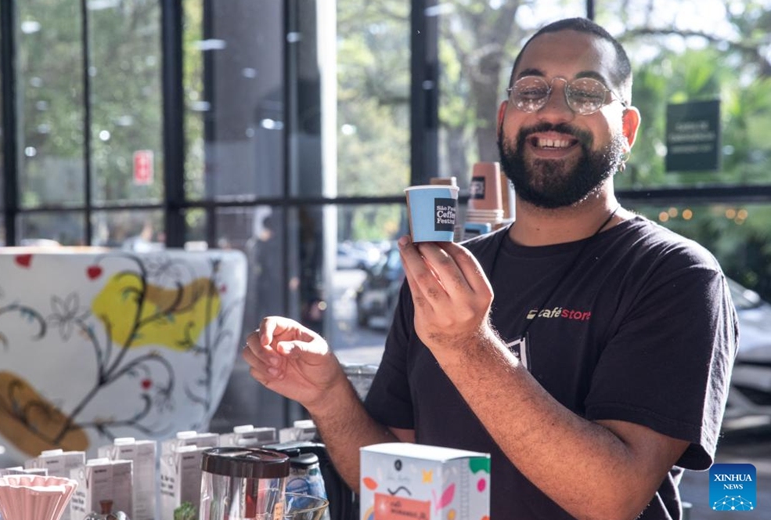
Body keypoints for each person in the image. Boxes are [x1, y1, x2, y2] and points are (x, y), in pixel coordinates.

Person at [242, 17, 738, 520]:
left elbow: (613, 497)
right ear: (504, 119)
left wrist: (467, 346)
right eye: (531, 91)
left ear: (627, 129)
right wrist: (328, 395)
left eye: (587, 93)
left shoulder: (675, 276)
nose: (552, 111)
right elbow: (391, 466)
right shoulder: (451, 274)